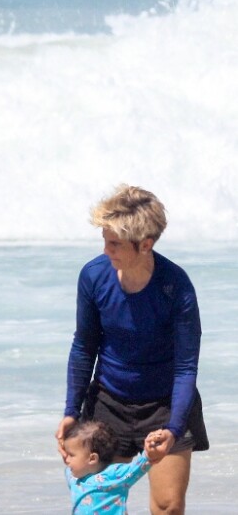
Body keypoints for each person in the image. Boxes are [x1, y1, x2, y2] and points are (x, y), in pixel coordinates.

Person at [56, 184, 209, 515]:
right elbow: (84, 345)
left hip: (165, 405)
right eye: (104, 240)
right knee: (99, 505)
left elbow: (185, 367)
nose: (106, 250)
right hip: (108, 404)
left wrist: (174, 427)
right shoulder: (94, 276)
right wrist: (72, 409)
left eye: (114, 244)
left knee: (168, 507)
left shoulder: (176, 288)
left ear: (145, 244)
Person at [63, 420, 162, 514]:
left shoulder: (114, 475)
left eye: (71, 455)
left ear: (92, 459)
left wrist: (149, 453)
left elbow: (136, 468)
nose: (66, 459)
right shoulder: (73, 477)